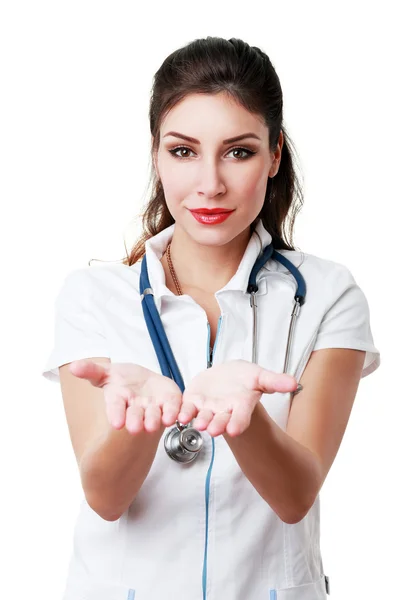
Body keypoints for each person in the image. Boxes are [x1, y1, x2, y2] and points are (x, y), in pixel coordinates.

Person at [41, 36, 380, 600]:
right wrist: (139, 420)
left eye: (239, 152)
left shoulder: (326, 294)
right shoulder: (93, 296)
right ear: (156, 155)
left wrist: (245, 420)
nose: (209, 184)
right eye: (183, 151)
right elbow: (105, 497)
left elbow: (297, 496)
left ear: (274, 157)